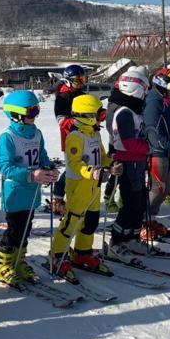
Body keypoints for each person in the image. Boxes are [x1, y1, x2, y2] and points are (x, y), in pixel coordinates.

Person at [0, 90, 59, 285]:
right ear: (16, 114)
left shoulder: (36, 133)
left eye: (37, 110)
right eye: (31, 112)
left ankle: (18, 262)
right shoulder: (8, 137)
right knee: (14, 230)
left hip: (32, 191)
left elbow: (42, 155)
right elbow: (4, 167)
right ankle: (3, 266)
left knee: (25, 229)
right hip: (15, 192)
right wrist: (30, 174)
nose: (35, 115)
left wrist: (48, 168)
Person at [48, 94, 119, 279]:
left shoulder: (94, 133)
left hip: (94, 187)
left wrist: (110, 164)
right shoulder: (75, 136)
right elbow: (74, 163)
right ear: (86, 115)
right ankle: (57, 255)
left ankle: (82, 253)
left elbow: (101, 156)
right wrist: (91, 171)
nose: (101, 118)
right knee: (72, 221)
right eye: (99, 115)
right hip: (78, 185)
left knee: (90, 222)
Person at [105, 66, 153, 260]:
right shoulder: (124, 112)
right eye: (144, 90)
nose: (146, 94)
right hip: (128, 163)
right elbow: (128, 143)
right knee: (131, 203)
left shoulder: (134, 110)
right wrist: (148, 147)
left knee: (140, 202)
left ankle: (132, 237)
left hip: (138, 162)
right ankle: (117, 241)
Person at [141, 67, 170, 239]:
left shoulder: (169, 103)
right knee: (157, 189)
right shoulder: (153, 102)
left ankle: (151, 219)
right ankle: (141, 222)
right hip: (157, 151)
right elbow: (154, 132)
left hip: (169, 151)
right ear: (163, 86)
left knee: (166, 189)